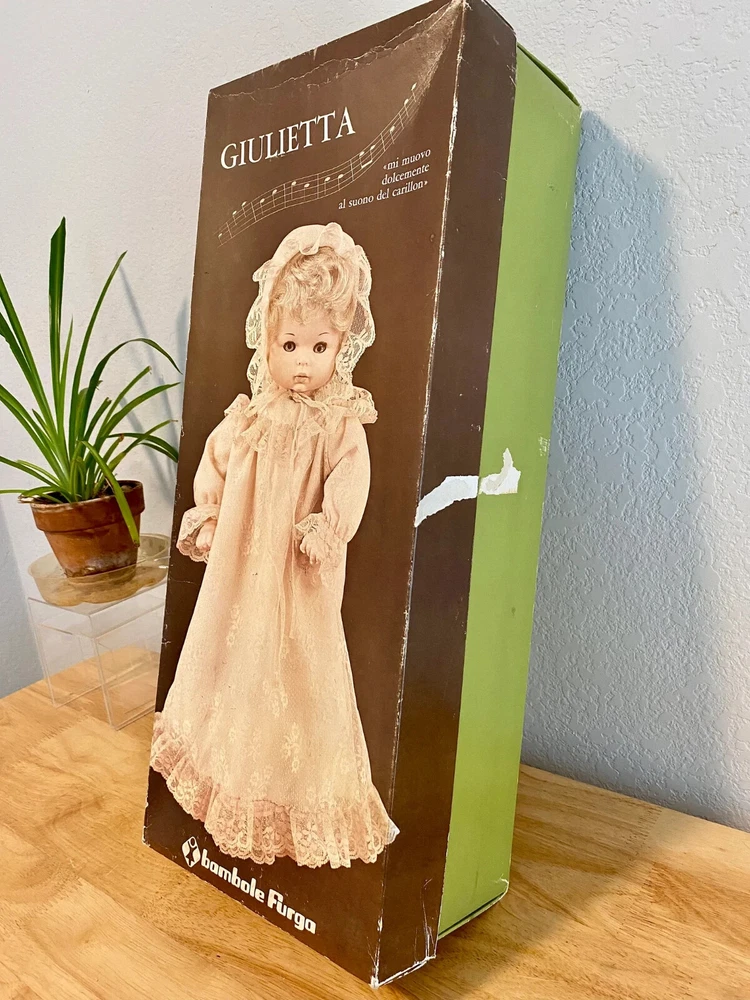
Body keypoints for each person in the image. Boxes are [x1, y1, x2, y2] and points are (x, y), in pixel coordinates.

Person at [150, 221, 400, 869]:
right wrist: (210, 512)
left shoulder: (338, 422)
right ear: (267, 339)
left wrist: (328, 525)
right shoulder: (251, 414)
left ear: (342, 346)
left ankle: (290, 791)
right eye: (290, 344)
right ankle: (227, 771)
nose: (303, 361)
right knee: (232, 654)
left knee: (300, 666)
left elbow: (352, 477)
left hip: (298, 572)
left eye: (320, 346)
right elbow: (217, 459)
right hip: (242, 569)